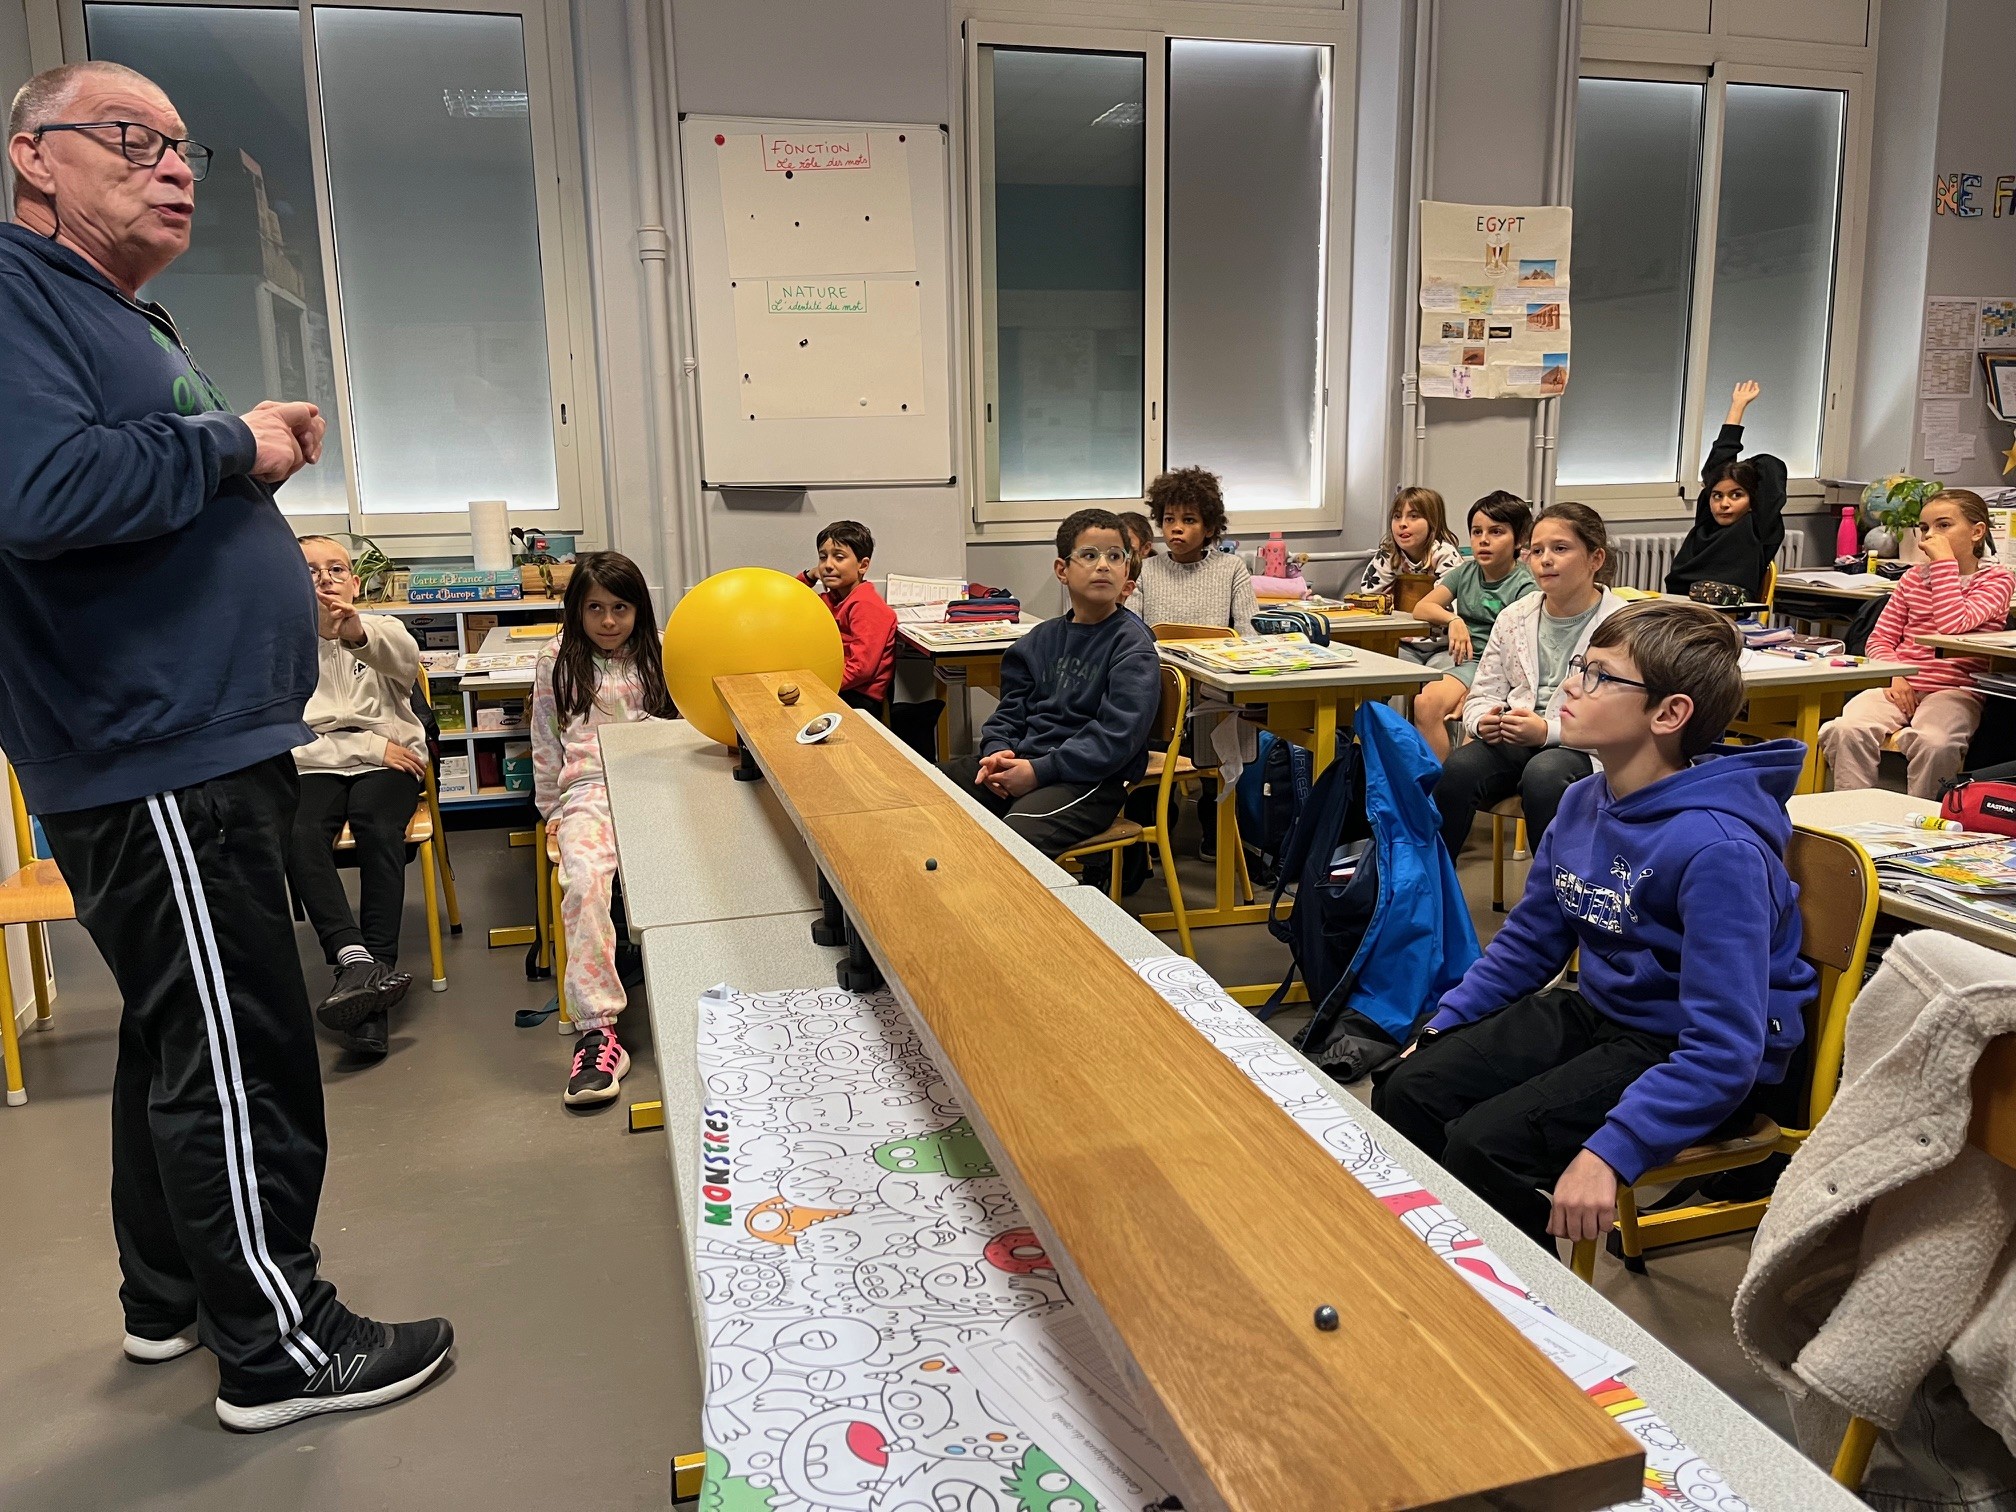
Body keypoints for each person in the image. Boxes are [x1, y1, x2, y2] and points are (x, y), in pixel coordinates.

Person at [0, 61, 452, 1431]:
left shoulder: (105, 306)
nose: (174, 168)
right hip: (155, 754)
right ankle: (281, 1347)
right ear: (33, 157)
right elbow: (41, 493)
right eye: (131, 139)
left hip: (190, 743)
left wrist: (233, 452)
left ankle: (168, 1299)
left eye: (182, 148)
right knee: (242, 1050)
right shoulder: (15, 292)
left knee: (175, 1034)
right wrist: (229, 446)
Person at [1376, 600, 1813, 1252]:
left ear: (1669, 714)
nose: (1571, 686)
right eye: (1581, 666)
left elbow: (1726, 1047)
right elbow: (1529, 943)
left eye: (1600, 676)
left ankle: (1530, 1303)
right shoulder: (1585, 797)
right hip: (1605, 1013)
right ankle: (1442, 1266)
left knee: (1483, 1148)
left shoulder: (1720, 851)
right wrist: (1446, 1023)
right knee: (1406, 1089)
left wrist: (1614, 1148)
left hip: (1687, 1049)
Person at [531, 551, 674, 1107]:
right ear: (577, 609)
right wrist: (553, 810)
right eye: (595, 608)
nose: (609, 621)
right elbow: (545, 737)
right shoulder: (556, 659)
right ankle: (598, 1031)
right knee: (587, 880)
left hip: (657, 786)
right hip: (588, 790)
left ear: (638, 609)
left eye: (621, 608)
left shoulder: (660, 652)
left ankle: (691, 988)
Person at [940, 509, 1159, 858]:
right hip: (1024, 762)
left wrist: (1038, 772)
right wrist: (997, 751)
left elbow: (1116, 736)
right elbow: (1010, 711)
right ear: (1062, 570)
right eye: (1089, 555)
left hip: (1089, 780)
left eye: (1115, 556)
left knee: (1014, 839)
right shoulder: (1039, 640)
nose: (1103, 566)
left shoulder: (1132, 646)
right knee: (924, 790)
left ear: (1127, 571)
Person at [283, 535, 427, 1059]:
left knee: (377, 826)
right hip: (315, 764)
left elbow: (405, 662)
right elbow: (285, 732)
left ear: (355, 582)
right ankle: (356, 961)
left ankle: (374, 967)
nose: (325, 579)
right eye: (310, 570)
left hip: (390, 763)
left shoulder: (383, 629)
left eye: (336, 569)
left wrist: (356, 633)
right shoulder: (283, 644)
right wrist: (366, 744)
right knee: (298, 832)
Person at [1433, 501, 1626, 856]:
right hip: (1518, 739)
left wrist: (1547, 731)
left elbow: (1623, 717)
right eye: (1537, 551)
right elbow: (1483, 692)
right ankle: (1432, 882)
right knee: (1457, 770)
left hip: (1585, 746)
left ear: (1596, 559)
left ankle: (1552, 887)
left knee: (1545, 775)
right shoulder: (1515, 617)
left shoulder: (1622, 626)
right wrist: (1483, 721)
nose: (1545, 560)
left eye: (1560, 549)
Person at [1819, 488, 2014, 798]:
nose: (1930, 535)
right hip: (1901, 684)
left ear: (1977, 532)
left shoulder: (1997, 580)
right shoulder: (1912, 579)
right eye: (1925, 528)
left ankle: (1923, 815)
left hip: (1954, 690)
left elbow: (1953, 624)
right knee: (1844, 729)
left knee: (1935, 742)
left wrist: (1944, 564)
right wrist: (1896, 674)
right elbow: (1880, 638)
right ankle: (1853, 811)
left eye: (1943, 525)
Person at [1408, 491, 1537, 759]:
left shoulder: (1525, 586)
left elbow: (1520, 656)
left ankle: (1462, 778)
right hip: (1471, 663)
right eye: (1477, 532)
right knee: (1425, 702)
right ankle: (1439, 781)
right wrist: (1453, 619)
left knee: (1476, 729)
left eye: (1496, 532)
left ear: (1519, 540)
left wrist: (1476, 692)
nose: (1483, 540)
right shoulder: (1466, 573)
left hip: (1504, 670)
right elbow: (1422, 607)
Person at [1664, 381, 1786, 602]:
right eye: (1717, 496)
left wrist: (1744, 470)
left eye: (1736, 495)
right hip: (1681, 605)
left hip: (1729, 612)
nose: (1724, 503)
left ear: (1753, 500)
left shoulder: (1758, 525)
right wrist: (1736, 405)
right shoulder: (1706, 522)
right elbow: (1716, 466)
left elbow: (1770, 467)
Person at [1127, 466, 1257, 634]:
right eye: (1169, 519)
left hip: (1215, 651)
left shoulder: (1232, 568)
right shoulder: (1145, 570)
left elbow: (1249, 632)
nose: (1176, 528)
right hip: (1156, 652)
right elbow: (1131, 632)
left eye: (1188, 520)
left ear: (1209, 528)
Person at [807, 519, 897, 712]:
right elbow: (791, 600)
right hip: (838, 683)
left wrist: (820, 688)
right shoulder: (832, 598)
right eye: (823, 557)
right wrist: (809, 576)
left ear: (862, 566)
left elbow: (861, 669)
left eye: (839, 557)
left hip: (859, 696)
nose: (828, 565)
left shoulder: (866, 605)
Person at [1360, 485, 1462, 596]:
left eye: (1413, 516)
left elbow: (1451, 600)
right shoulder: (1388, 555)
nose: (1402, 524)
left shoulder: (1445, 555)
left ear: (1433, 522)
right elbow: (1368, 596)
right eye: (1397, 516)